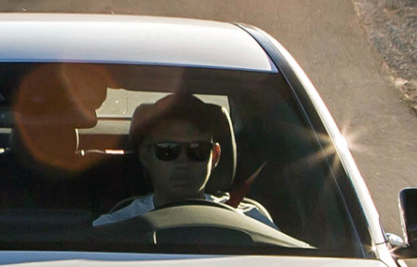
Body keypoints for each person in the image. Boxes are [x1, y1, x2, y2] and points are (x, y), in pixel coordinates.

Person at [93, 92, 281, 237]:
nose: (183, 162)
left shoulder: (252, 222)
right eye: (168, 150)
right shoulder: (113, 229)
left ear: (215, 156)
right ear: (145, 155)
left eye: (197, 150)